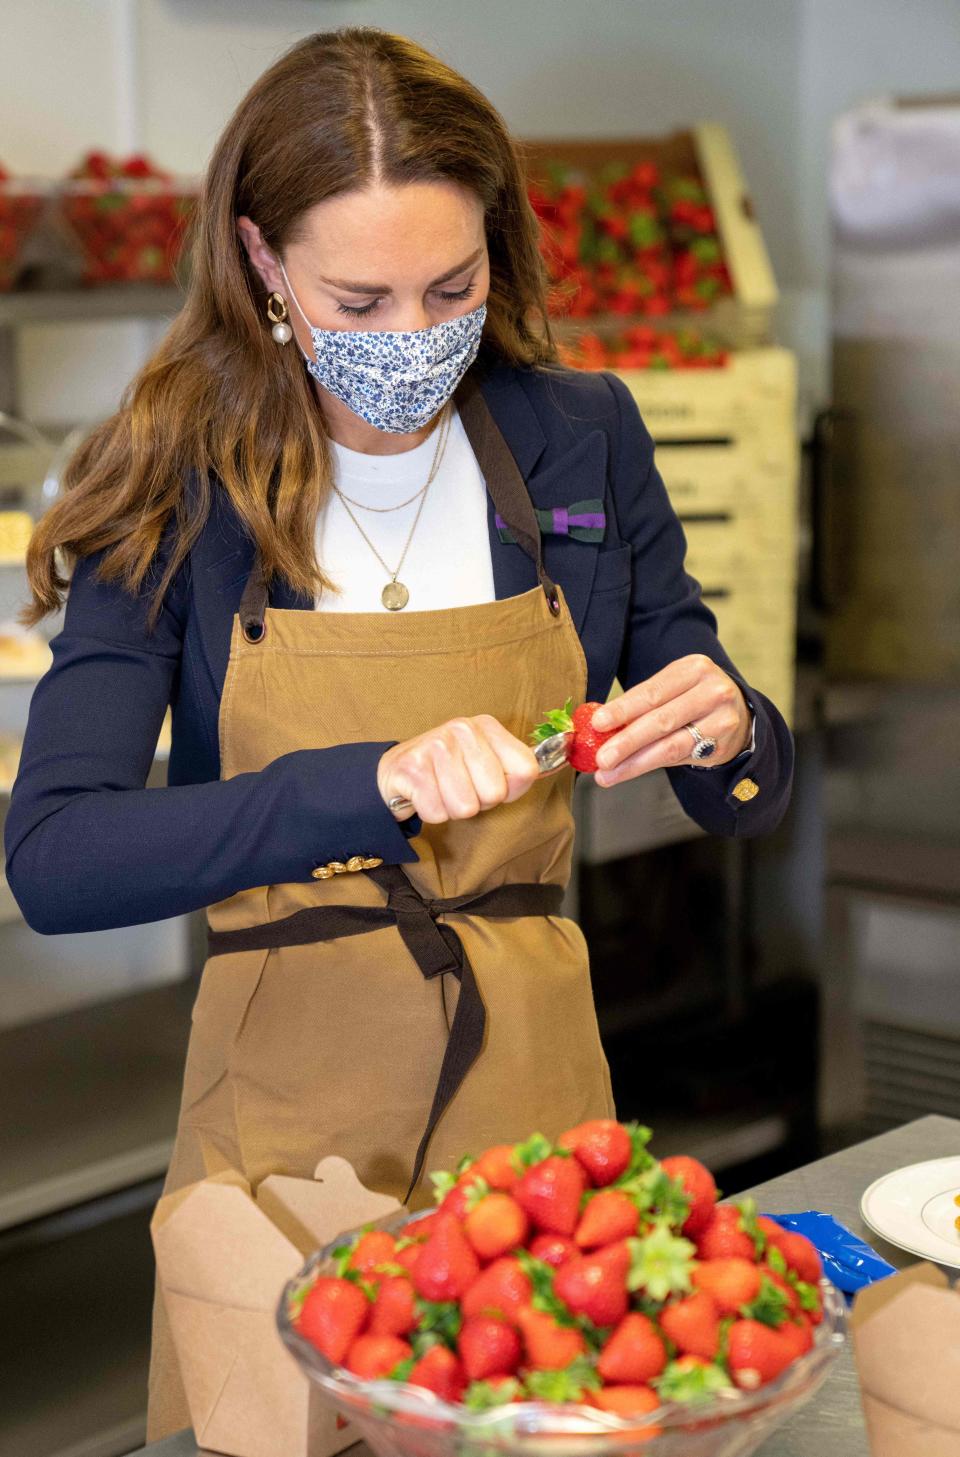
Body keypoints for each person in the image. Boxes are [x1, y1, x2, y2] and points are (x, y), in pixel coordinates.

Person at [4, 27, 792, 1438]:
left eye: (453, 288)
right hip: (279, 1133)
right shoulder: (178, 468)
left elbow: (724, 745)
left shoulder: (580, 435)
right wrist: (365, 782)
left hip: (538, 1107)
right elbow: (58, 856)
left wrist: (730, 723)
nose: (409, 340)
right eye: (356, 298)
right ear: (263, 264)